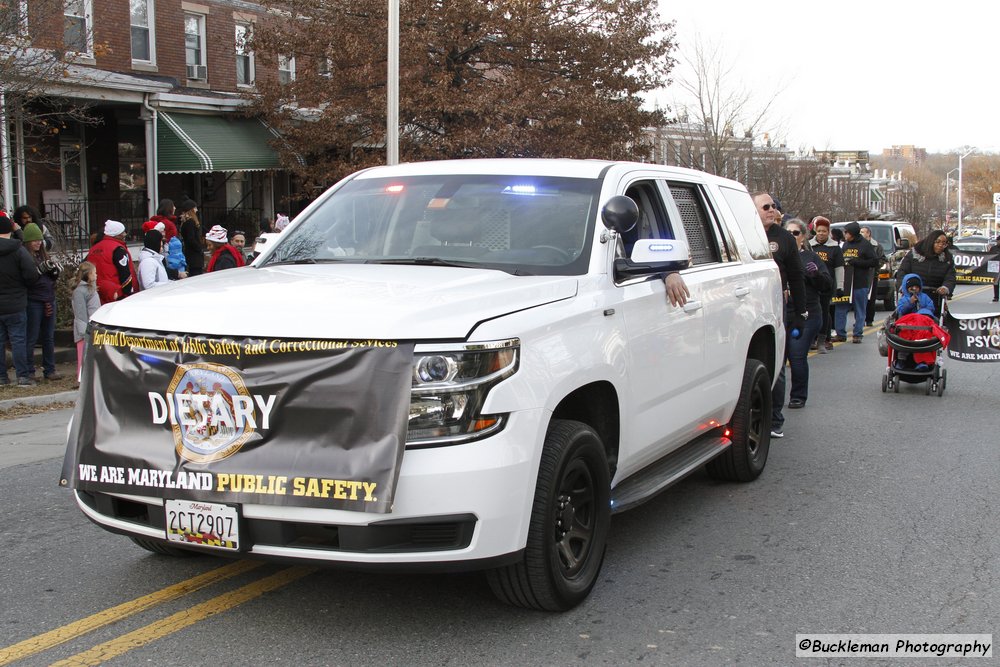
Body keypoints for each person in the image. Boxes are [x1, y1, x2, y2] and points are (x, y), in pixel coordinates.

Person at [753, 192, 807, 439]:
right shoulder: (743, 234)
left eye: (773, 206)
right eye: (766, 206)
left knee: (777, 365)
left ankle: (775, 419)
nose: (771, 210)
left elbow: (796, 276)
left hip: (775, 308)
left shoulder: (784, 238)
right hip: (747, 307)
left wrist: (800, 311)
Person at [783, 218, 831, 409]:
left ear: (803, 237)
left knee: (796, 354)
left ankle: (798, 396)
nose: (791, 237)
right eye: (788, 233)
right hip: (782, 313)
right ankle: (773, 398)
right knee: (778, 359)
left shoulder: (812, 258)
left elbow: (827, 286)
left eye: (795, 233)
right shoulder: (777, 257)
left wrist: (816, 275)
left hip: (807, 314)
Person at [0, 212, 40, 386]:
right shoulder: (18, 250)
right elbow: (31, 274)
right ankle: (22, 376)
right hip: (16, 301)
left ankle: (1, 377)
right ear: (10, 229)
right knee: (18, 340)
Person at [22, 223, 61, 380]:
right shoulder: (24, 257)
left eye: (39, 240)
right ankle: (29, 370)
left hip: (49, 299)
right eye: (34, 240)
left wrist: (54, 273)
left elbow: (49, 279)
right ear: (27, 242)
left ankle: (49, 369)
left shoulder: (43, 255)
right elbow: (26, 280)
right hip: (34, 301)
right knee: (31, 337)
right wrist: (38, 272)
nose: (38, 243)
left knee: (49, 337)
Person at [833, 222, 877, 344]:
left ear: (852, 233)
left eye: (846, 232)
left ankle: (857, 333)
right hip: (846, 283)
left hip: (859, 282)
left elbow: (874, 261)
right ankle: (840, 333)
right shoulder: (845, 245)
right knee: (841, 307)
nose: (844, 234)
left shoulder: (865, 245)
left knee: (859, 309)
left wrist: (857, 262)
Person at [894, 230, 955, 315]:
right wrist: (903, 287)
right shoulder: (914, 255)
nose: (941, 245)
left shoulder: (947, 259)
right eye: (938, 242)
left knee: (933, 318)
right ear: (931, 242)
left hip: (935, 296)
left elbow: (950, 277)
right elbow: (902, 272)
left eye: (944, 243)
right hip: (913, 293)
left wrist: (946, 288)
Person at [808, 216, 844, 352]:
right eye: (819, 231)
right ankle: (811, 338)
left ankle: (823, 339)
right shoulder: (809, 246)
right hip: (812, 284)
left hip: (826, 284)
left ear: (828, 232)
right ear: (815, 231)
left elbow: (839, 268)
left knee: (824, 311)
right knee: (810, 312)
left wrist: (840, 286)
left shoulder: (834, 248)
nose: (821, 234)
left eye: (824, 231)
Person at [85, 220, 140, 304]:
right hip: (118, 294)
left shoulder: (94, 248)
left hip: (99, 292)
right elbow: (125, 273)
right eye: (123, 232)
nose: (125, 234)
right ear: (117, 234)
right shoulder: (118, 249)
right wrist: (128, 292)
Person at [71, 261, 101, 382]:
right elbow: (80, 313)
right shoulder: (79, 292)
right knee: (83, 354)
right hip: (85, 331)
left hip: (92, 328)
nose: (96, 275)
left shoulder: (90, 289)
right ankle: (83, 378)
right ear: (88, 274)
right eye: (94, 273)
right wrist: (84, 331)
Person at [860, 225, 885, 326]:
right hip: (860, 274)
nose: (861, 234)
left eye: (862, 232)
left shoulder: (877, 246)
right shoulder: (858, 245)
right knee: (860, 299)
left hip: (872, 275)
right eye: (860, 232)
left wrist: (875, 265)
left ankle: (869, 319)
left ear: (868, 233)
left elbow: (883, 259)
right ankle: (860, 320)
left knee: (871, 298)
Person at [178, 198, 205, 276]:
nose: (196, 210)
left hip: (191, 254)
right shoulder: (190, 222)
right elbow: (191, 239)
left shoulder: (185, 222)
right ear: (191, 209)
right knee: (196, 274)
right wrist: (199, 248)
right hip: (194, 256)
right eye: (195, 208)